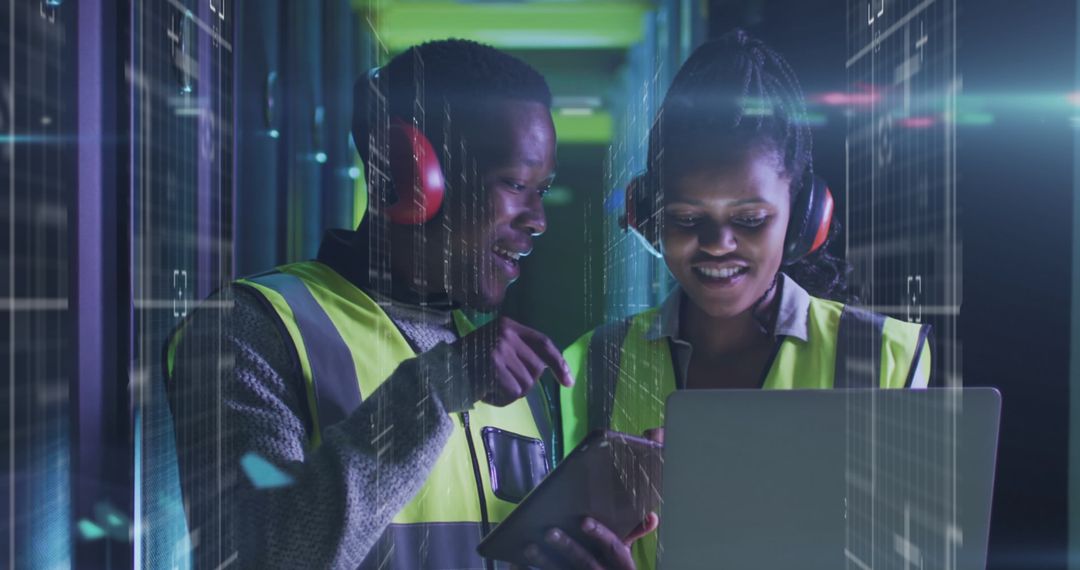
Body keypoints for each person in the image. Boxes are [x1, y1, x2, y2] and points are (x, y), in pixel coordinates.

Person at [165, 39, 649, 570]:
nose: (538, 219)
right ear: (407, 174)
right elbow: (267, 558)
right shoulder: (253, 328)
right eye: (514, 183)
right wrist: (437, 392)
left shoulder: (510, 377)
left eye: (542, 189)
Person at [553, 30, 932, 570]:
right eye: (688, 219)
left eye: (750, 220)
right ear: (649, 217)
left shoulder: (885, 357)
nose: (717, 244)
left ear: (805, 221)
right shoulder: (593, 365)